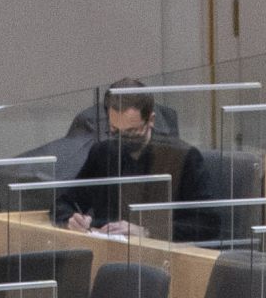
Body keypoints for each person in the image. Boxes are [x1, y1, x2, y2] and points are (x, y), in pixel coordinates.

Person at [63, 82, 205, 233]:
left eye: (131, 132)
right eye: (115, 131)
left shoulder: (182, 157)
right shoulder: (103, 153)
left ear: (150, 120)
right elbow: (65, 203)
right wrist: (72, 220)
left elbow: (205, 223)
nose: (122, 140)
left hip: (161, 252)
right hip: (110, 248)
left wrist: (145, 231)